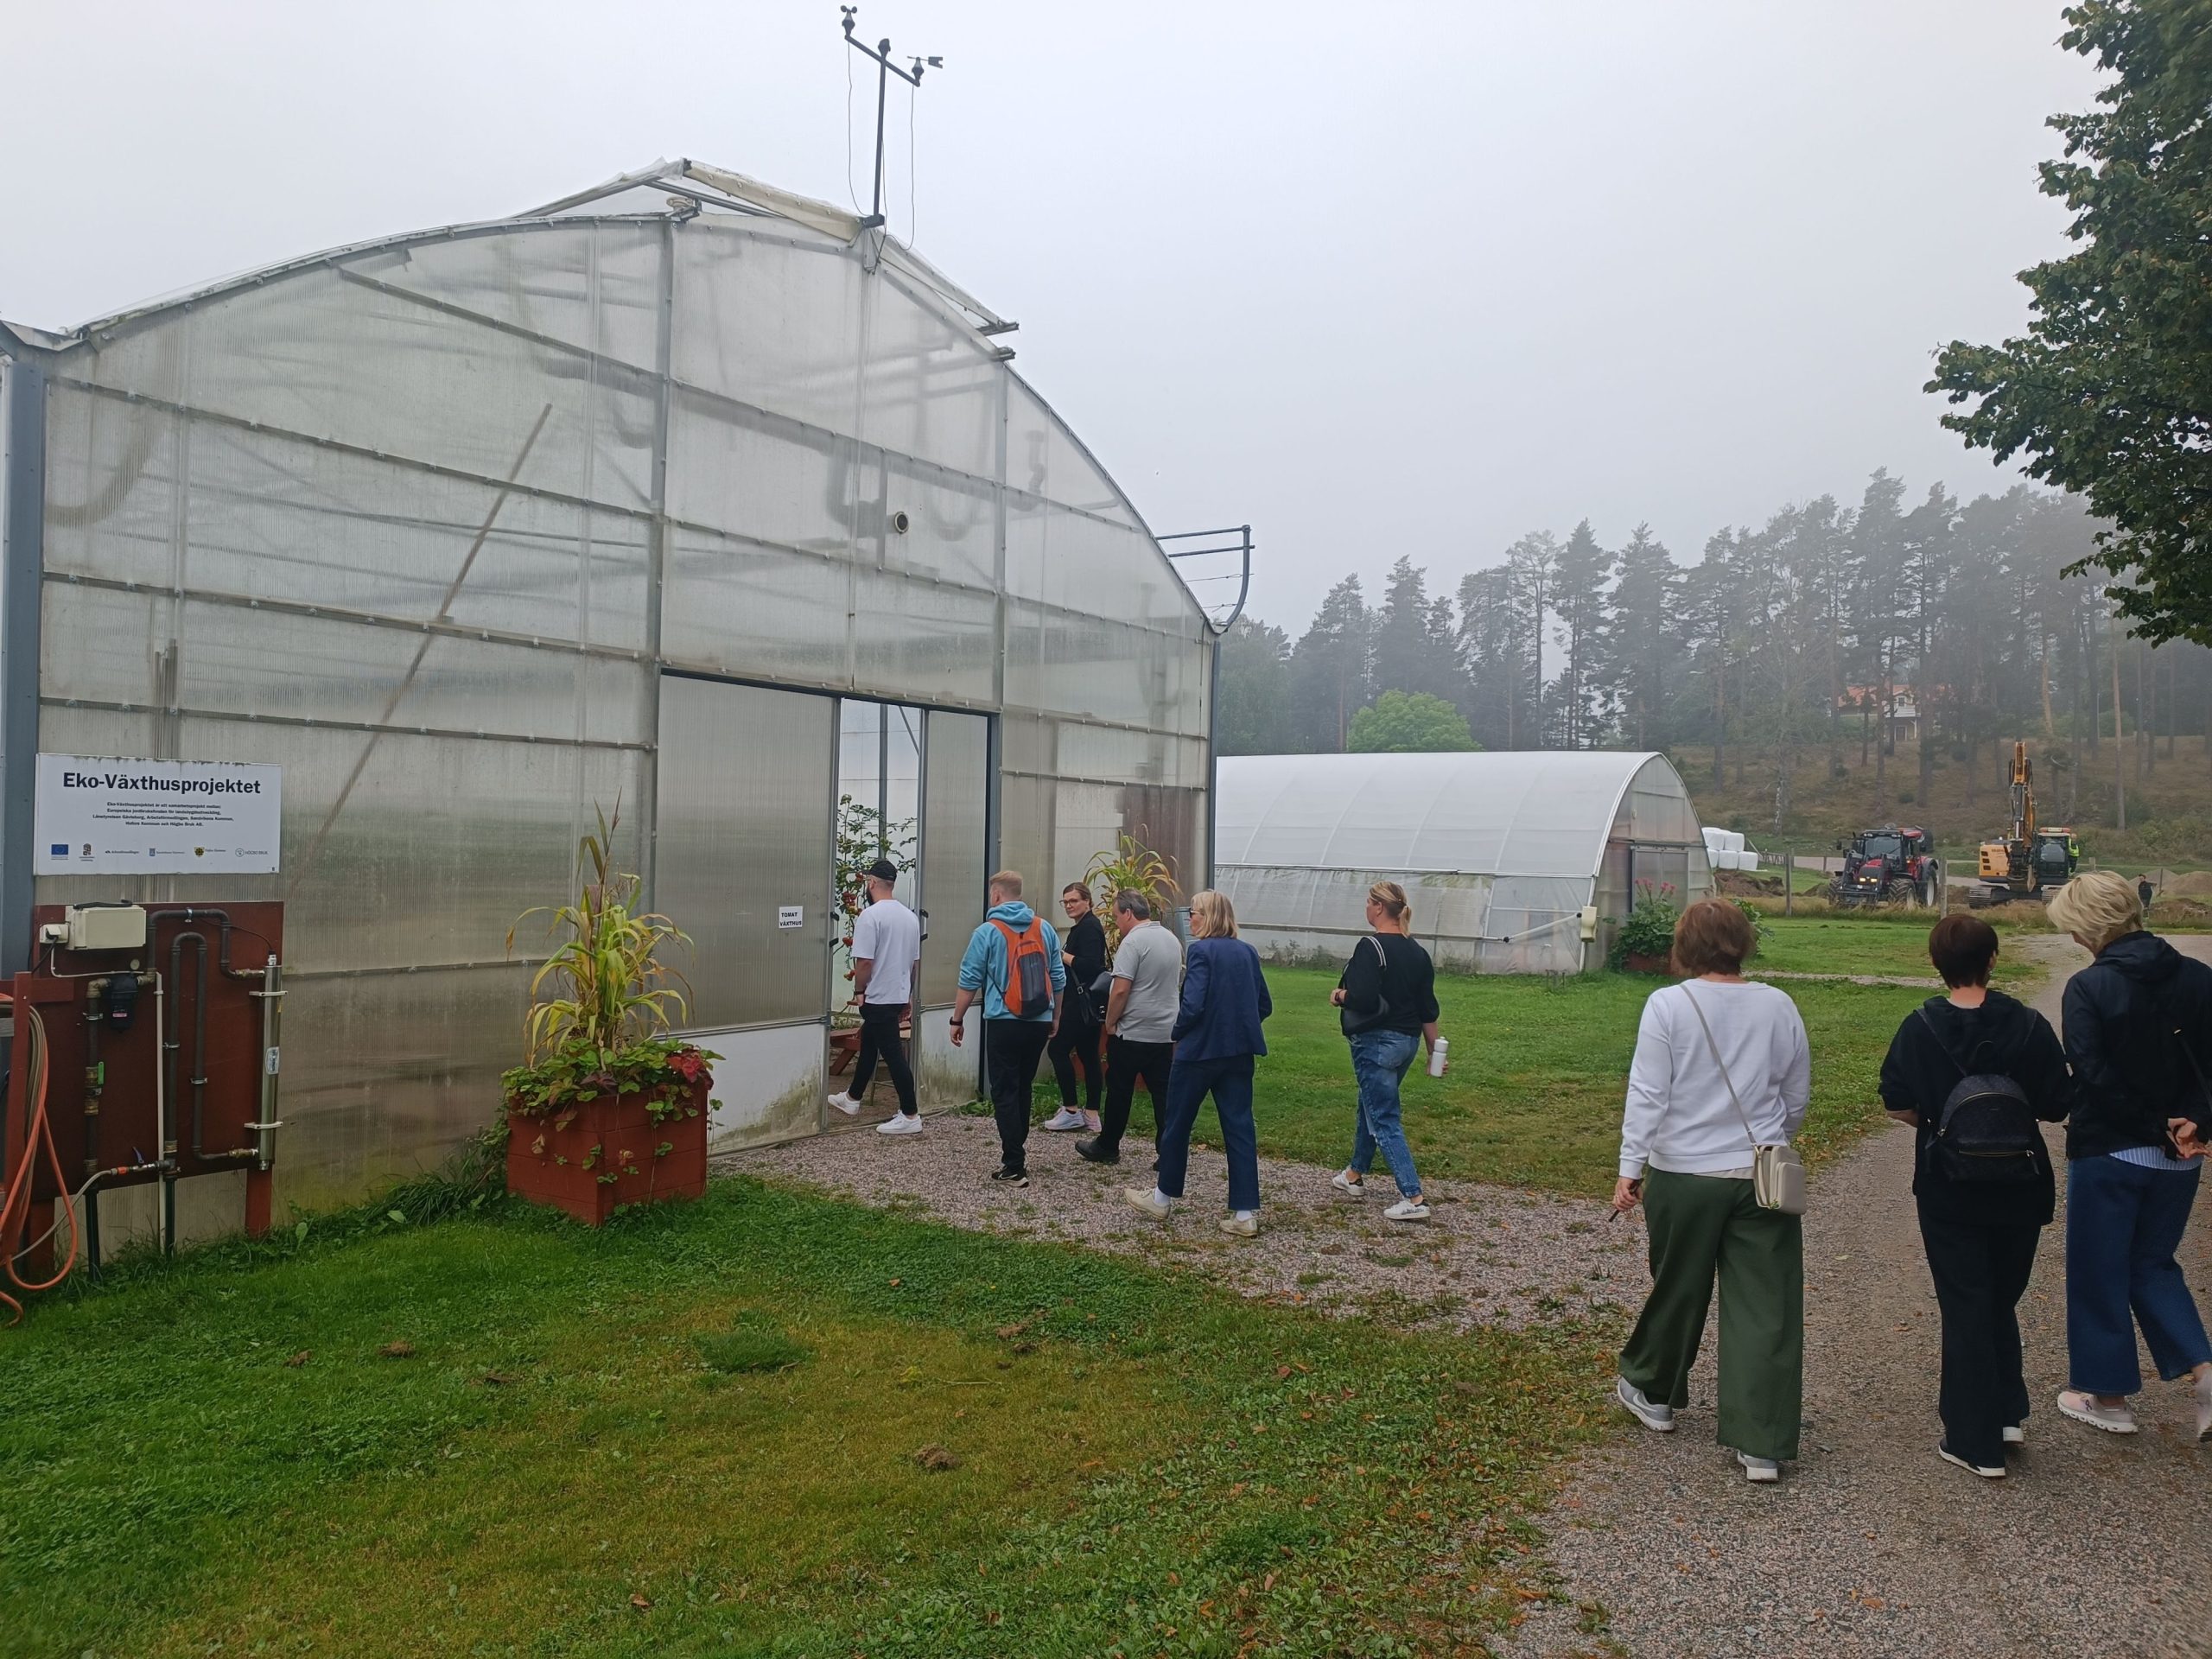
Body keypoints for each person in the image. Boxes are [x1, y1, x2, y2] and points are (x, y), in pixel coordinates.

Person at [1611, 898, 1811, 1484]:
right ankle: (1762, 1442)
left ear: (1686, 946)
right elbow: (1795, 1092)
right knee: (1766, 1303)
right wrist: (1775, 1142)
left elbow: (1649, 1092)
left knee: (1678, 1284)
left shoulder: (1668, 1005)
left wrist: (1631, 1166)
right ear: (1743, 942)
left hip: (1684, 1174)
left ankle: (1654, 1391)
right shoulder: (1779, 1005)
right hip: (1760, 1172)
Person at [1878, 914, 2071, 1478]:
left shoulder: (1920, 1026)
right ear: (1993, 959)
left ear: (1936, 964)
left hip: (1948, 1186)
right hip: (2020, 1186)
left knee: (1967, 1303)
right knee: (1997, 1298)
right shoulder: (2030, 1025)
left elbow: (1896, 1101)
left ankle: (1974, 1441)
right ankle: (2006, 1411)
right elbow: (2058, 1103)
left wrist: (1942, 1123)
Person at [2045, 869, 2212, 1441]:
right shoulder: (2199, 978)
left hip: (2111, 1151)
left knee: (2098, 1271)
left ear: (2088, 928)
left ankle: (2107, 1397)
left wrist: (2149, 1124)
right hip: (2180, 1157)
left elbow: (2093, 1076)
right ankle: (2205, 1371)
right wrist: (2197, 1124)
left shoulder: (2089, 989)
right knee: (2153, 1263)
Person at [1124, 890, 1272, 1236]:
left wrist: (1177, 1033)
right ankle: (1245, 1212)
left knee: (1177, 1124)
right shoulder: (1248, 952)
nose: (1191, 918)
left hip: (1198, 1054)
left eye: (1196, 912)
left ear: (1210, 917)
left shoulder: (1201, 951)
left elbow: (1192, 1005)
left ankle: (1162, 1198)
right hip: (1238, 1055)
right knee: (1240, 1129)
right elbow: (1264, 1005)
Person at [1326, 881, 1446, 1222]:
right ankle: (1354, 1175)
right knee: (1371, 1105)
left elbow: (1362, 998)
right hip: (1407, 1042)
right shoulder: (1417, 951)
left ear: (1379, 907)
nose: (1366, 906)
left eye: (1368, 901)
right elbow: (1428, 1008)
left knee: (1383, 1118)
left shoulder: (1370, 947)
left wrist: (1339, 995)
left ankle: (1413, 1196)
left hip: (1376, 1042)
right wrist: (1435, 1050)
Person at [951, 871, 1065, 1188]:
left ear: (997, 895)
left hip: (1003, 1022)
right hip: (1038, 1022)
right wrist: (1055, 1016)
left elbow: (969, 980)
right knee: (1023, 1086)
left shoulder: (987, 932)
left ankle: (1014, 1164)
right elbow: (1058, 977)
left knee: (1004, 1090)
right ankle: (1017, 1150)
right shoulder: (1045, 929)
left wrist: (956, 1019)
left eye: (992, 893)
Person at [1077, 890, 1182, 1167]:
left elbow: (1120, 990)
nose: (1117, 923)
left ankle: (1108, 1145)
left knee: (1119, 1090)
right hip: (1164, 1030)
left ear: (1128, 913)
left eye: (1116, 916)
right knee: (1163, 1093)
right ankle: (1169, 1151)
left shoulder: (1133, 942)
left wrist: (1110, 1022)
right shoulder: (1171, 939)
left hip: (1133, 1030)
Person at [827, 858, 924, 1135]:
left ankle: (909, 1113)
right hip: (897, 994)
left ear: (871, 883)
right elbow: (914, 964)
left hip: (877, 996)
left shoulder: (870, 917)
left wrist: (859, 990)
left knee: (893, 1054)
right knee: (869, 1041)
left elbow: (865, 962)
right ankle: (853, 1098)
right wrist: (907, 996)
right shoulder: (910, 917)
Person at [1044, 882, 1109, 1134]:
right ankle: (1091, 1113)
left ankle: (1072, 1109)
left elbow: (1092, 965)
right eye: (1066, 902)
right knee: (1088, 1055)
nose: (1069, 906)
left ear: (1087, 902)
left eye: (1074, 901)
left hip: (1080, 1003)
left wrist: (1063, 956)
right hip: (1086, 1002)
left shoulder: (1089, 928)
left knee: (1058, 1049)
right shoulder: (1083, 927)